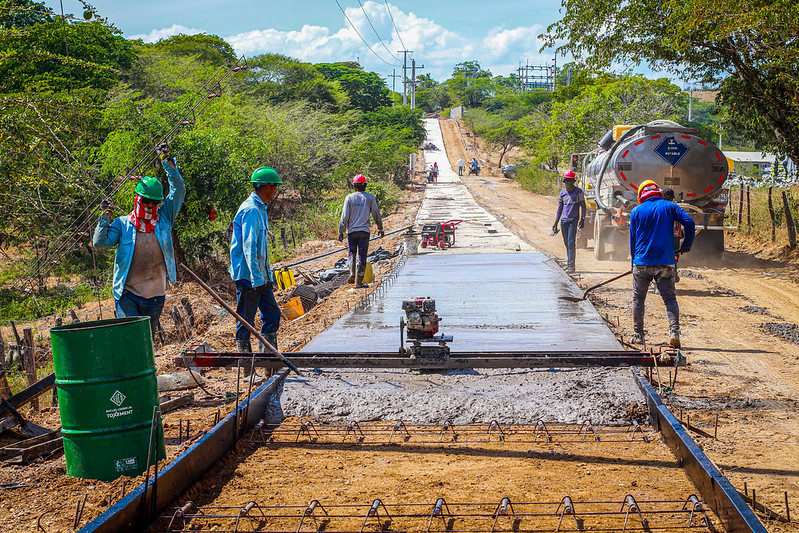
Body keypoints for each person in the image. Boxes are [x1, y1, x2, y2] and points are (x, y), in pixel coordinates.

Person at [93, 157, 185, 337]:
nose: (150, 205)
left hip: (155, 295)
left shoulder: (164, 217)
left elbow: (178, 189)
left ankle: (147, 366)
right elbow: (99, 242)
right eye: (146, 201)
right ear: (138, 199)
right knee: (131, 337)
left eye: (154, 202)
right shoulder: (123, 224)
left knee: (146, 340)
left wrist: (167, 162)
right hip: (128, 294)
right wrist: (105, 216)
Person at [629, 180, 695, 348]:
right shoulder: (670, 207)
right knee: (669, 298)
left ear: (642, 195)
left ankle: (638, 335)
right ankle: (674, 333)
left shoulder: (636, 211)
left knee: (638, 299)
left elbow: (633, 241)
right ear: (658, 192)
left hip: (642, 262)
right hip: (665, 263)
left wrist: (633, 262)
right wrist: (687, 244)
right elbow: (689, 223)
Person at [229, 167, 282, 354]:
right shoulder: (251, 210)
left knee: (273, 315)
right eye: (274, 187)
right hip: (248, 276)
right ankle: (246, 369)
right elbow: (249, 247)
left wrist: (267, 277)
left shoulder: (261, 208)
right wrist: (256, 279)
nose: (275, 191)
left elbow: (261, 250)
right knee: (245, 321)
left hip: (260, 275)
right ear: (266, 187)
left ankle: (268, 360)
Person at [339, 174, 384, 288]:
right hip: (364, 232)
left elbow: (344, 217)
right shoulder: (369, 198)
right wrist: (380, 228)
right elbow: (376, 215)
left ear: (354, 186)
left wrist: (341, 231)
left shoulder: (349, 198)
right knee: (362, 256)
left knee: (352, 253)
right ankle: (359, 282)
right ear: (365, 185)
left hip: (351, 232)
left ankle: (352, 273)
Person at [551, 170, 586, 273]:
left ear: (574, 181)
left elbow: (583, 206)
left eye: (570, 181)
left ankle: (571, 267)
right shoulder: (562, 193)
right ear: (564, 181)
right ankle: (569, 264)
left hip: (573, 220)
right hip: (563, 221)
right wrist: (555, 222)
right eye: (567, 181)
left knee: (571, 243)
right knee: (566, 243)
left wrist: (582, 218)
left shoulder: (578, 192)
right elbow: (559, 209)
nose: (569, 183)